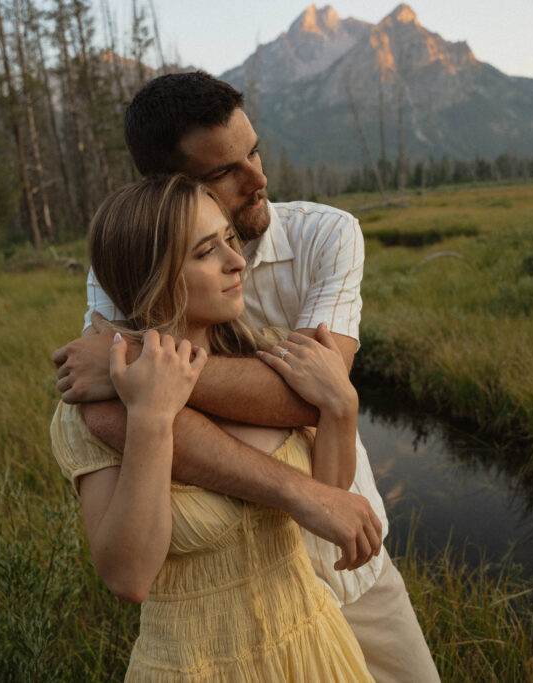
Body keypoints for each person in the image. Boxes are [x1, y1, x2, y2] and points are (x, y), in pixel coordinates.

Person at [53, 72, 440, 683]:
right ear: (169, 188)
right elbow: (102, 415)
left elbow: (306, 401)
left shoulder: (326, 234)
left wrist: (140, 367)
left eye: (253, 150)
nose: (258, 178)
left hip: (345, 560)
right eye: (224, 171)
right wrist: (294, 488)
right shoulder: (126, 260)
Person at [50, 173, 376, 680]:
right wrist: (152, 419)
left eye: (230, 239)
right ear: (152, 276)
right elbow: (129, 577)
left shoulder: (270, 355)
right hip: (193, 667)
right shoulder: (91, 409)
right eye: (207, 251)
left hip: (313, 648)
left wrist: (341, 406)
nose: (237, 261)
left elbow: (326, 500)